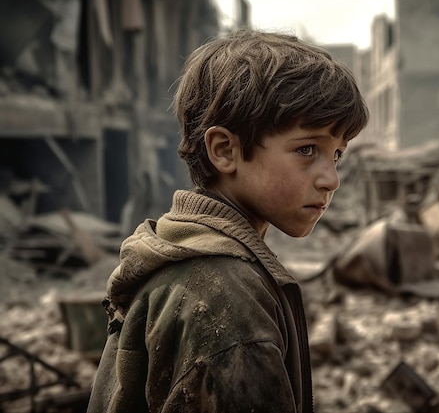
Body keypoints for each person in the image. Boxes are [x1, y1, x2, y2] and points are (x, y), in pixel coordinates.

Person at [86, 29, 369, 413]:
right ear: (225, 151)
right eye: (307, 149)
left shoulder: (181, 251)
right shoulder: (226, 300)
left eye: (337, 155)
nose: (331, 179)